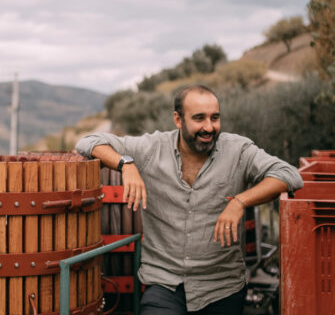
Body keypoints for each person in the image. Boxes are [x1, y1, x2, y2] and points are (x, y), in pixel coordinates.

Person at [76, 85, 302, 314]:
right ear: (178, 119)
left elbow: (289, 175)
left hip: (222, 287)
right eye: (199, 118)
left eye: (215, 118)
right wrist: (125, 164)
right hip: (165, 285)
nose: (209, 127)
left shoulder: (238, 151)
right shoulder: (151, 148)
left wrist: (239, 201)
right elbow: (87, 142)